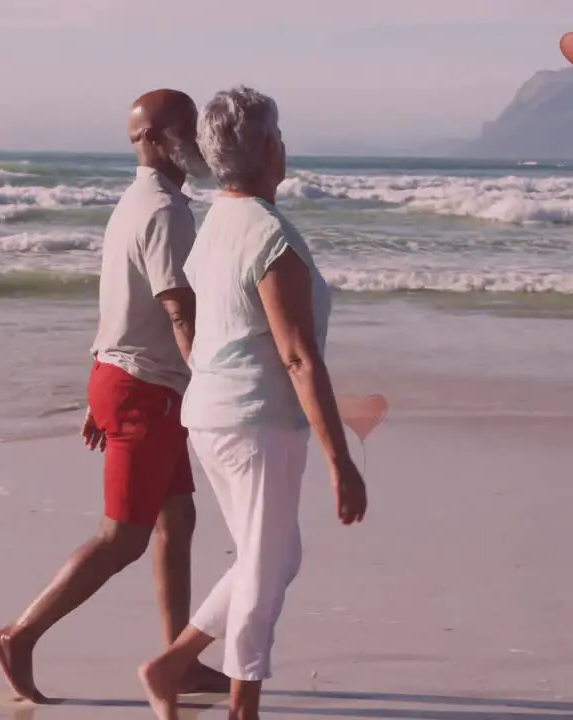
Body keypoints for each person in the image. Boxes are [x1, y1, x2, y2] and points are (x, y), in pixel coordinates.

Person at [0, 89, 230, 703]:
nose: (199, 141)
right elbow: (179, 310)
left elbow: (120, 301)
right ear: (154, 139)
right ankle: (20, 635)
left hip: (132, 380)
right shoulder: (165, 211)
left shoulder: (142, 202)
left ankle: (179, 658)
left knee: (179, 518)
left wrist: (102, 387)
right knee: (122, 536)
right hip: (146, 386)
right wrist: (217, 381)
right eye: (186, 130)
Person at [137, 86, 369, 720]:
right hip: (256, 422)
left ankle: (171, 664)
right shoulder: (270, 236)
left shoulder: (218, 221)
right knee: (264, 575)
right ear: (271, 148)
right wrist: (339, 460)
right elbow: (298, 358)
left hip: (213, 415)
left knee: (274, 557)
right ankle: (244, 709)